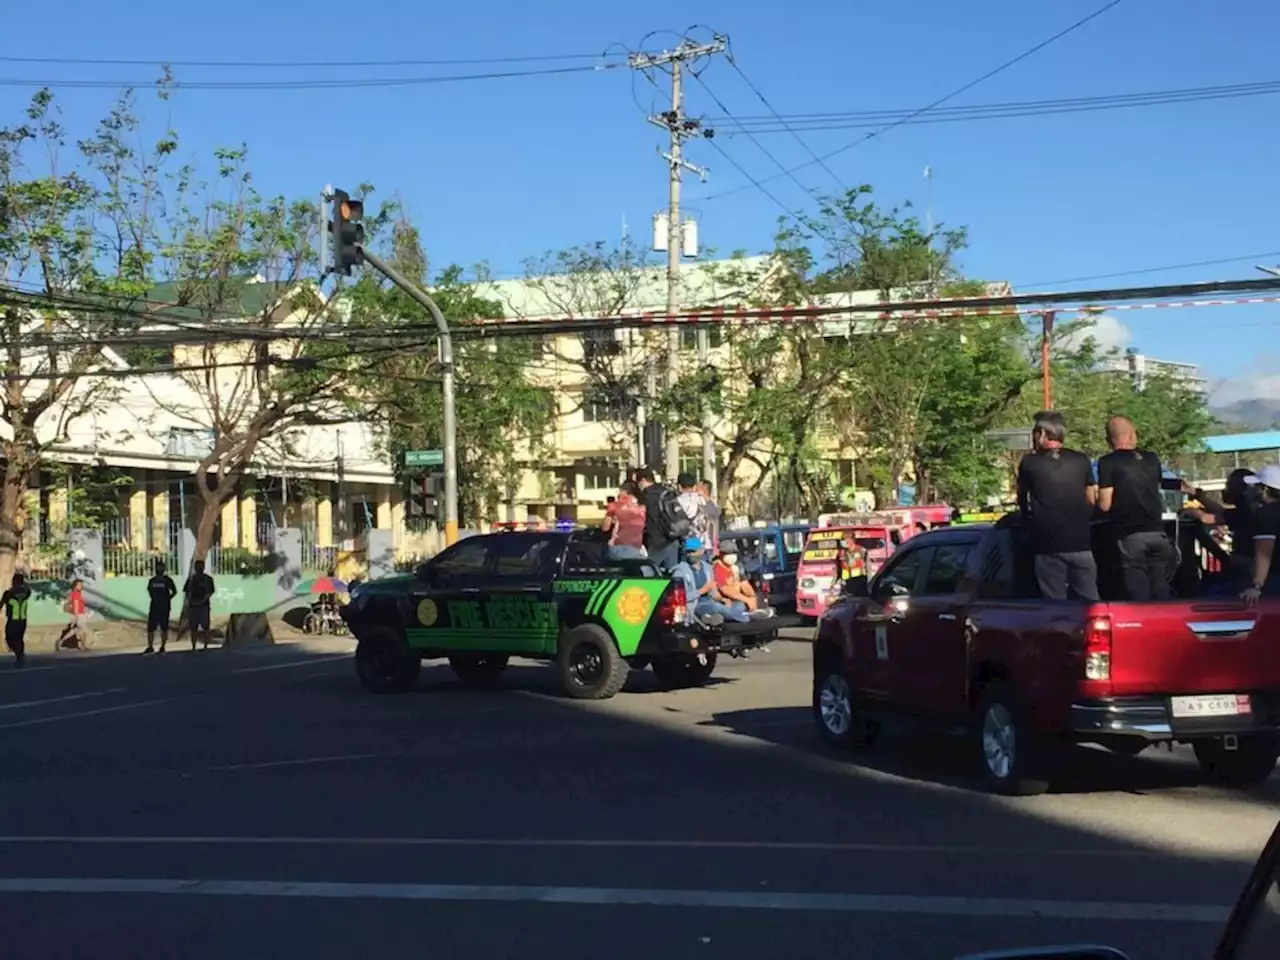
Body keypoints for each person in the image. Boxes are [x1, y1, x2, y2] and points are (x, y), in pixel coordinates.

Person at [1016, 411, 1099, 601]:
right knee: (1090, 599)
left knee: (1055, 603)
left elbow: (1022, 499)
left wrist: (1027, 520)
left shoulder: (1030, 462)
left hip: (1047, 544)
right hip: (1081, 542)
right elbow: (1091, 498)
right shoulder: (1081, 460)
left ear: (1042, 434)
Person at [1097, 416, 1176, 601]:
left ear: (1109, 439)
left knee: (1138, 589)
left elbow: (1105, 504)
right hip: (1158, 532)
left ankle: (1143, 625)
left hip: (1130, 534)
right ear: (1133, 435)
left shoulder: (1108, 462)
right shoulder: (1151, 458)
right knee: (1160, 584)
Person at [672, 538, 749, 624]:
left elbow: (713, 592)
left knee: (739, 605)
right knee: (715, 607)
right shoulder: (680, 571)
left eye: (693, 551)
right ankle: (746, 618)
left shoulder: (707, 568)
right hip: (694, 606)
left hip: (711, 602)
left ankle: (712, 618)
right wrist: (701, 591)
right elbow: (678, 598)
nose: (690, 555)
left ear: (701, 550)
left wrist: (723, 600)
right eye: (688, 552)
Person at [1239, 464, 1280, 606]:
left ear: (1264, 490)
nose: (1251, 490)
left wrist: (1256, 586)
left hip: (1274, 583)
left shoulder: (1265, 515)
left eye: (1256, 486)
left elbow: (1264, 553)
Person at [636, 468, 689, 572]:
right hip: (673, 539)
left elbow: (646, 520)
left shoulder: (646, 496)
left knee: (647, 573)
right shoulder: (665, 492)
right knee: (673, 574)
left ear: (642, 481)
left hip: (657, 542)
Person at [601, 480, 646, 561]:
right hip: (636, 549)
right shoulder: (642, 507)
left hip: (618, 548)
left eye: (620, 491)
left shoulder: (614, 506)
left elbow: (605, 528)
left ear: (624, 491)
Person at [145, 560, 178, 654]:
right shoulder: (152, 580)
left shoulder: (168, 580)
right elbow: (150, 591)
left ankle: (163, 646)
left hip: (164, 607)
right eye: (159, 567)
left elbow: (174, 591)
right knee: (151, 628)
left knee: (164, 627)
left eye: (161, 567)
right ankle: (150, 646)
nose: (160, 569)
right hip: (154, 607)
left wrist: (167, 599)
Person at [183, 559, 216, 650]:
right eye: (197, 567)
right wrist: (190, 602)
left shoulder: (207, 579)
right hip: (193, 606)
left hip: (203, 606)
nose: (199, 569)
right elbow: (186, 592)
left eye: (200, 567)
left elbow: (210, 592)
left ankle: (205, 646)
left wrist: (202, 601)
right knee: (193, 628)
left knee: (205, 627)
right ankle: (193, 646)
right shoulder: (191, 579)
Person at [2, 572, 31, 667]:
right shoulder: (26, 593)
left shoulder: (8, 593)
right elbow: (27, 588)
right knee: (19, 639)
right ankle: (20, 656)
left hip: (13, 621)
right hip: (22, 620)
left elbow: (1, 604)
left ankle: (19, 654)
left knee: (9, 638)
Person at [676, 473, 711, 548]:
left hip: (690, 543)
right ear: (694, 486)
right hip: (706, 543)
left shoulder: (678, 501)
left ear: (679, 486)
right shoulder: (702, 499)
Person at [59, 579, 89, 650]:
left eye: (81, 585)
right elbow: (76, 605)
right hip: (79, 615)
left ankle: (60, 641)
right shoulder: (76, 594)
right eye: (80, 585)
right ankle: (82, 646)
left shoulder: (76, 593)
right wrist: (76, 616)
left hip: (79, 614)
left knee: (74, 631)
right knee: (84, 631)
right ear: (75, 586)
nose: (81, 586)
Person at [698, 480, 721, 553]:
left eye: (698, 487)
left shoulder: (711, 505)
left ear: (704, 490)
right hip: (699, 545)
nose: (695, 488)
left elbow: (712, 514)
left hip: (709, 546)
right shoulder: (699, 502)